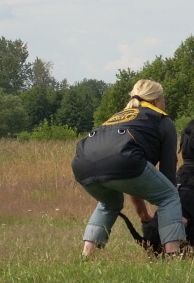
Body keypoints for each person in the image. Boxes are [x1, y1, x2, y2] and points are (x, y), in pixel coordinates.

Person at [71, 79, 186, 258]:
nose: (165, 103)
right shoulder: (162, 120)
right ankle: (173, 255)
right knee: (169, 196)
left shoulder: (119, 117)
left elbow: (133, 179)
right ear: (156, 101)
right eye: (164, 99)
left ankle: (86, 256)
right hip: (124, 163)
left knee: (109, 203)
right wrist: (175, 216)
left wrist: (143, 215)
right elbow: (167, 172)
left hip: (82, 165)